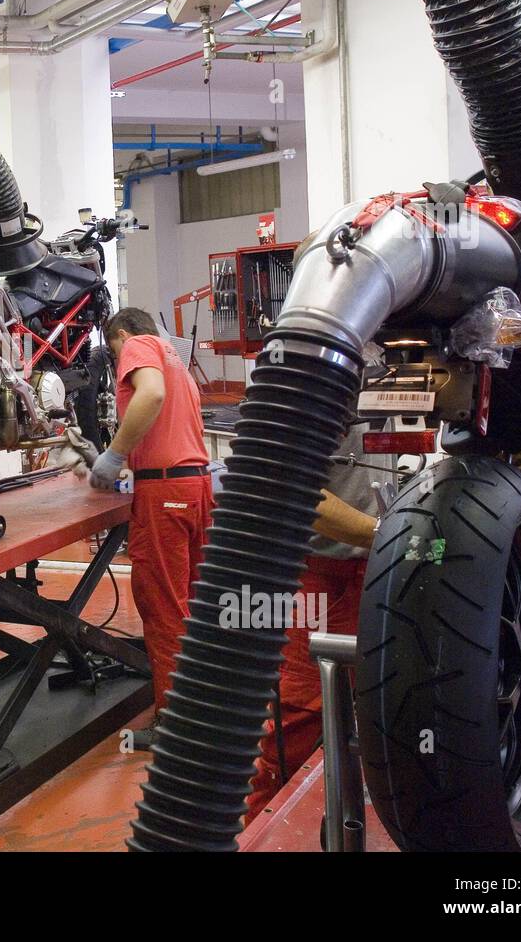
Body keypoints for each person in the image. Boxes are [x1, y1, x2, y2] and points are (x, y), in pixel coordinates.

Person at [243, 420, 392, 821]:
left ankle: (343, 814)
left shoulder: (390, 366)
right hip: (322, 574)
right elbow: (299, 495)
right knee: (299, 723)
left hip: (375, 569)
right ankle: (266, 830)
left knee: (380, 708)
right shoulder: (318, 365)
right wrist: (387, 532)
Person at [90, 308, 214, 751]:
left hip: (166, 497)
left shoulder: (141, 345)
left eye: (113, 352)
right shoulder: (177, 360)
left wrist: (115, 454)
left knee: (163, 608)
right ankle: (200, 710)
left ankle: (174, 728)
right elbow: (166, 427)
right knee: (190, 605)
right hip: (194, 487)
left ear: (121, 335)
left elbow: (150, 396)